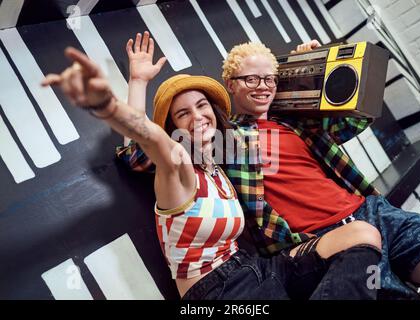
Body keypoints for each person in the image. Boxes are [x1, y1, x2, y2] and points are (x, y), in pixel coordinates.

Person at [41, 34, 382, 300]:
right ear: (173, 129)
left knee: (363, 233)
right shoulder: (178, 171)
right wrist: (114, 102)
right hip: (218, 294)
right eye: (183, 113)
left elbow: (274, 104)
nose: (197, 117)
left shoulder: (222, 164)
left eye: (201, 106)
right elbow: (147, 142)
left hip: (257, 269)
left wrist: (313, 67)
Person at [220, 41, 420, 299]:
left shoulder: (295, 120)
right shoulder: (227, 139)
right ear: (231, 84)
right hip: (329, 243)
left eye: (269, 79)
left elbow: (355, 118)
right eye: (251, 79)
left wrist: (311, 70)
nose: (262, 86)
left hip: (372, 212)